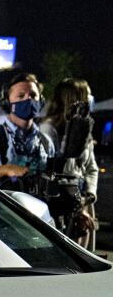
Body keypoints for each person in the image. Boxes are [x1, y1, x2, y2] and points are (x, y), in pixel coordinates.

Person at [40, 78, 100, 249]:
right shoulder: (48, 129)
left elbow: (91, 168)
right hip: (60, 204)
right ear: (75, 98)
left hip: (83, 201)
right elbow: (53, 169)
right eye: (87, 95)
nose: (90, 99)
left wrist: (88, 196)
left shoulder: (84, 128)